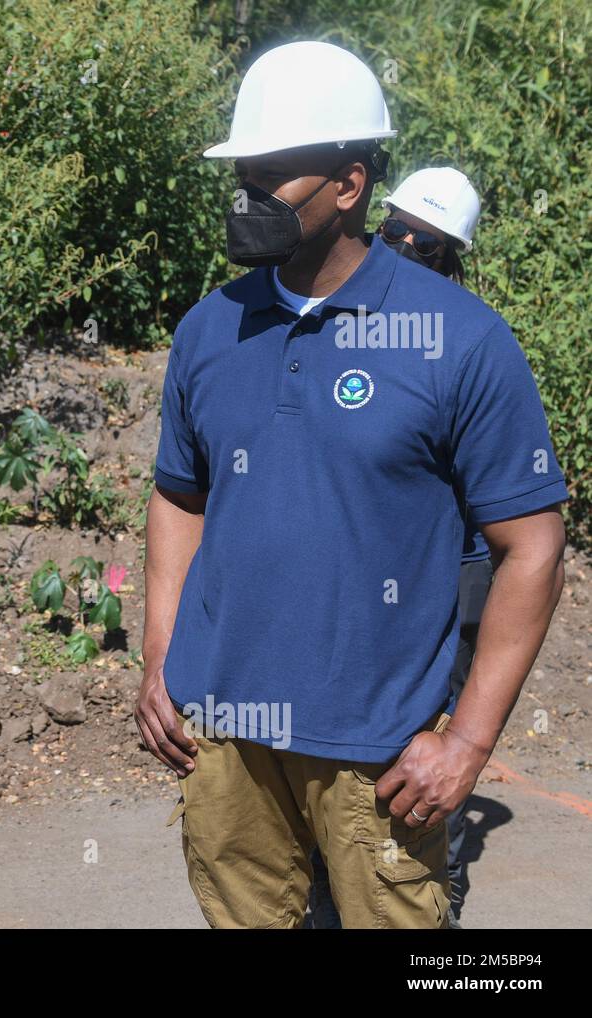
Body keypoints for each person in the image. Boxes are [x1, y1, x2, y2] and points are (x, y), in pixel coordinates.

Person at [133, 41, 567, 929]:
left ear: (350, 184)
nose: (251, 191)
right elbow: (181, 496)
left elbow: (533, 548)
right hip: (226, 744)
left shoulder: (459, 339)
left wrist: (468, 743)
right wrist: (160, 656)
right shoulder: (211, 330)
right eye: (245, 169)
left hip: (379, 755)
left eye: (276, 172)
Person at [308, 166, 488, 928]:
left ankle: (418, 874)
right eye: (399, 232)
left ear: (454, 258)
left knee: (425, 719)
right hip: (356, 553)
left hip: (452, 557)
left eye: (431, 243)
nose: (410, 248)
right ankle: (325, 864)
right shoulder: (337, 314)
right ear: (376, 222)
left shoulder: (470, 336)